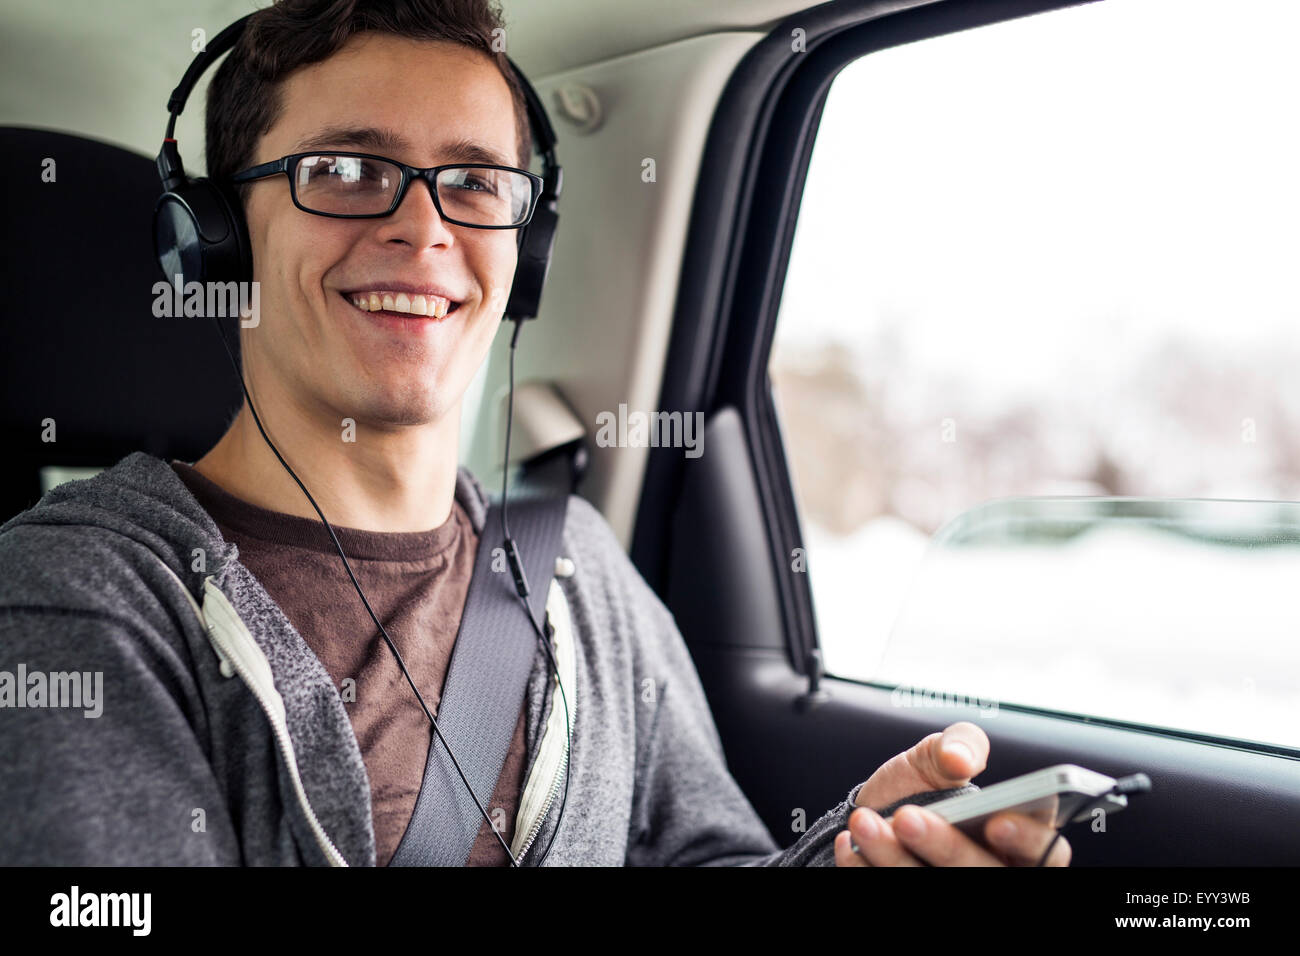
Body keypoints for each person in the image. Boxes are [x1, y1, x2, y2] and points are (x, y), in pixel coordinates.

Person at [0, 0, 1068, 868]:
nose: (422, 230)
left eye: (474, 182)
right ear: (216, 239)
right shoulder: (70, 599)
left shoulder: (576, 570)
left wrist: (851, 858)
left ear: (527, 250)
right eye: (346, 171)